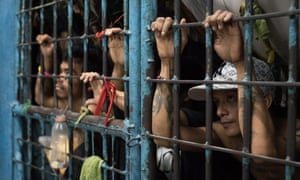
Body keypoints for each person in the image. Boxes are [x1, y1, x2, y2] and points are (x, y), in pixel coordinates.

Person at [151, 10, 300, 180]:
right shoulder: (227, 135)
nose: (219, 112)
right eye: (216, 101)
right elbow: (163, 136)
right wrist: (167, 62)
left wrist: (240, 63)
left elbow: (261, 153)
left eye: (230, 98)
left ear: (265, 101)